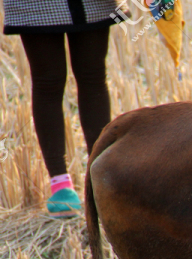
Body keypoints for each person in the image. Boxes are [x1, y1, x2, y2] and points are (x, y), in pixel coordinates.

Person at [3, 0, 118, 217]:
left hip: (92, 3)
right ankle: (60, 183)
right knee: (48, 81)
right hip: (36, 4)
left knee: (93, 76)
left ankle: (102, 178)